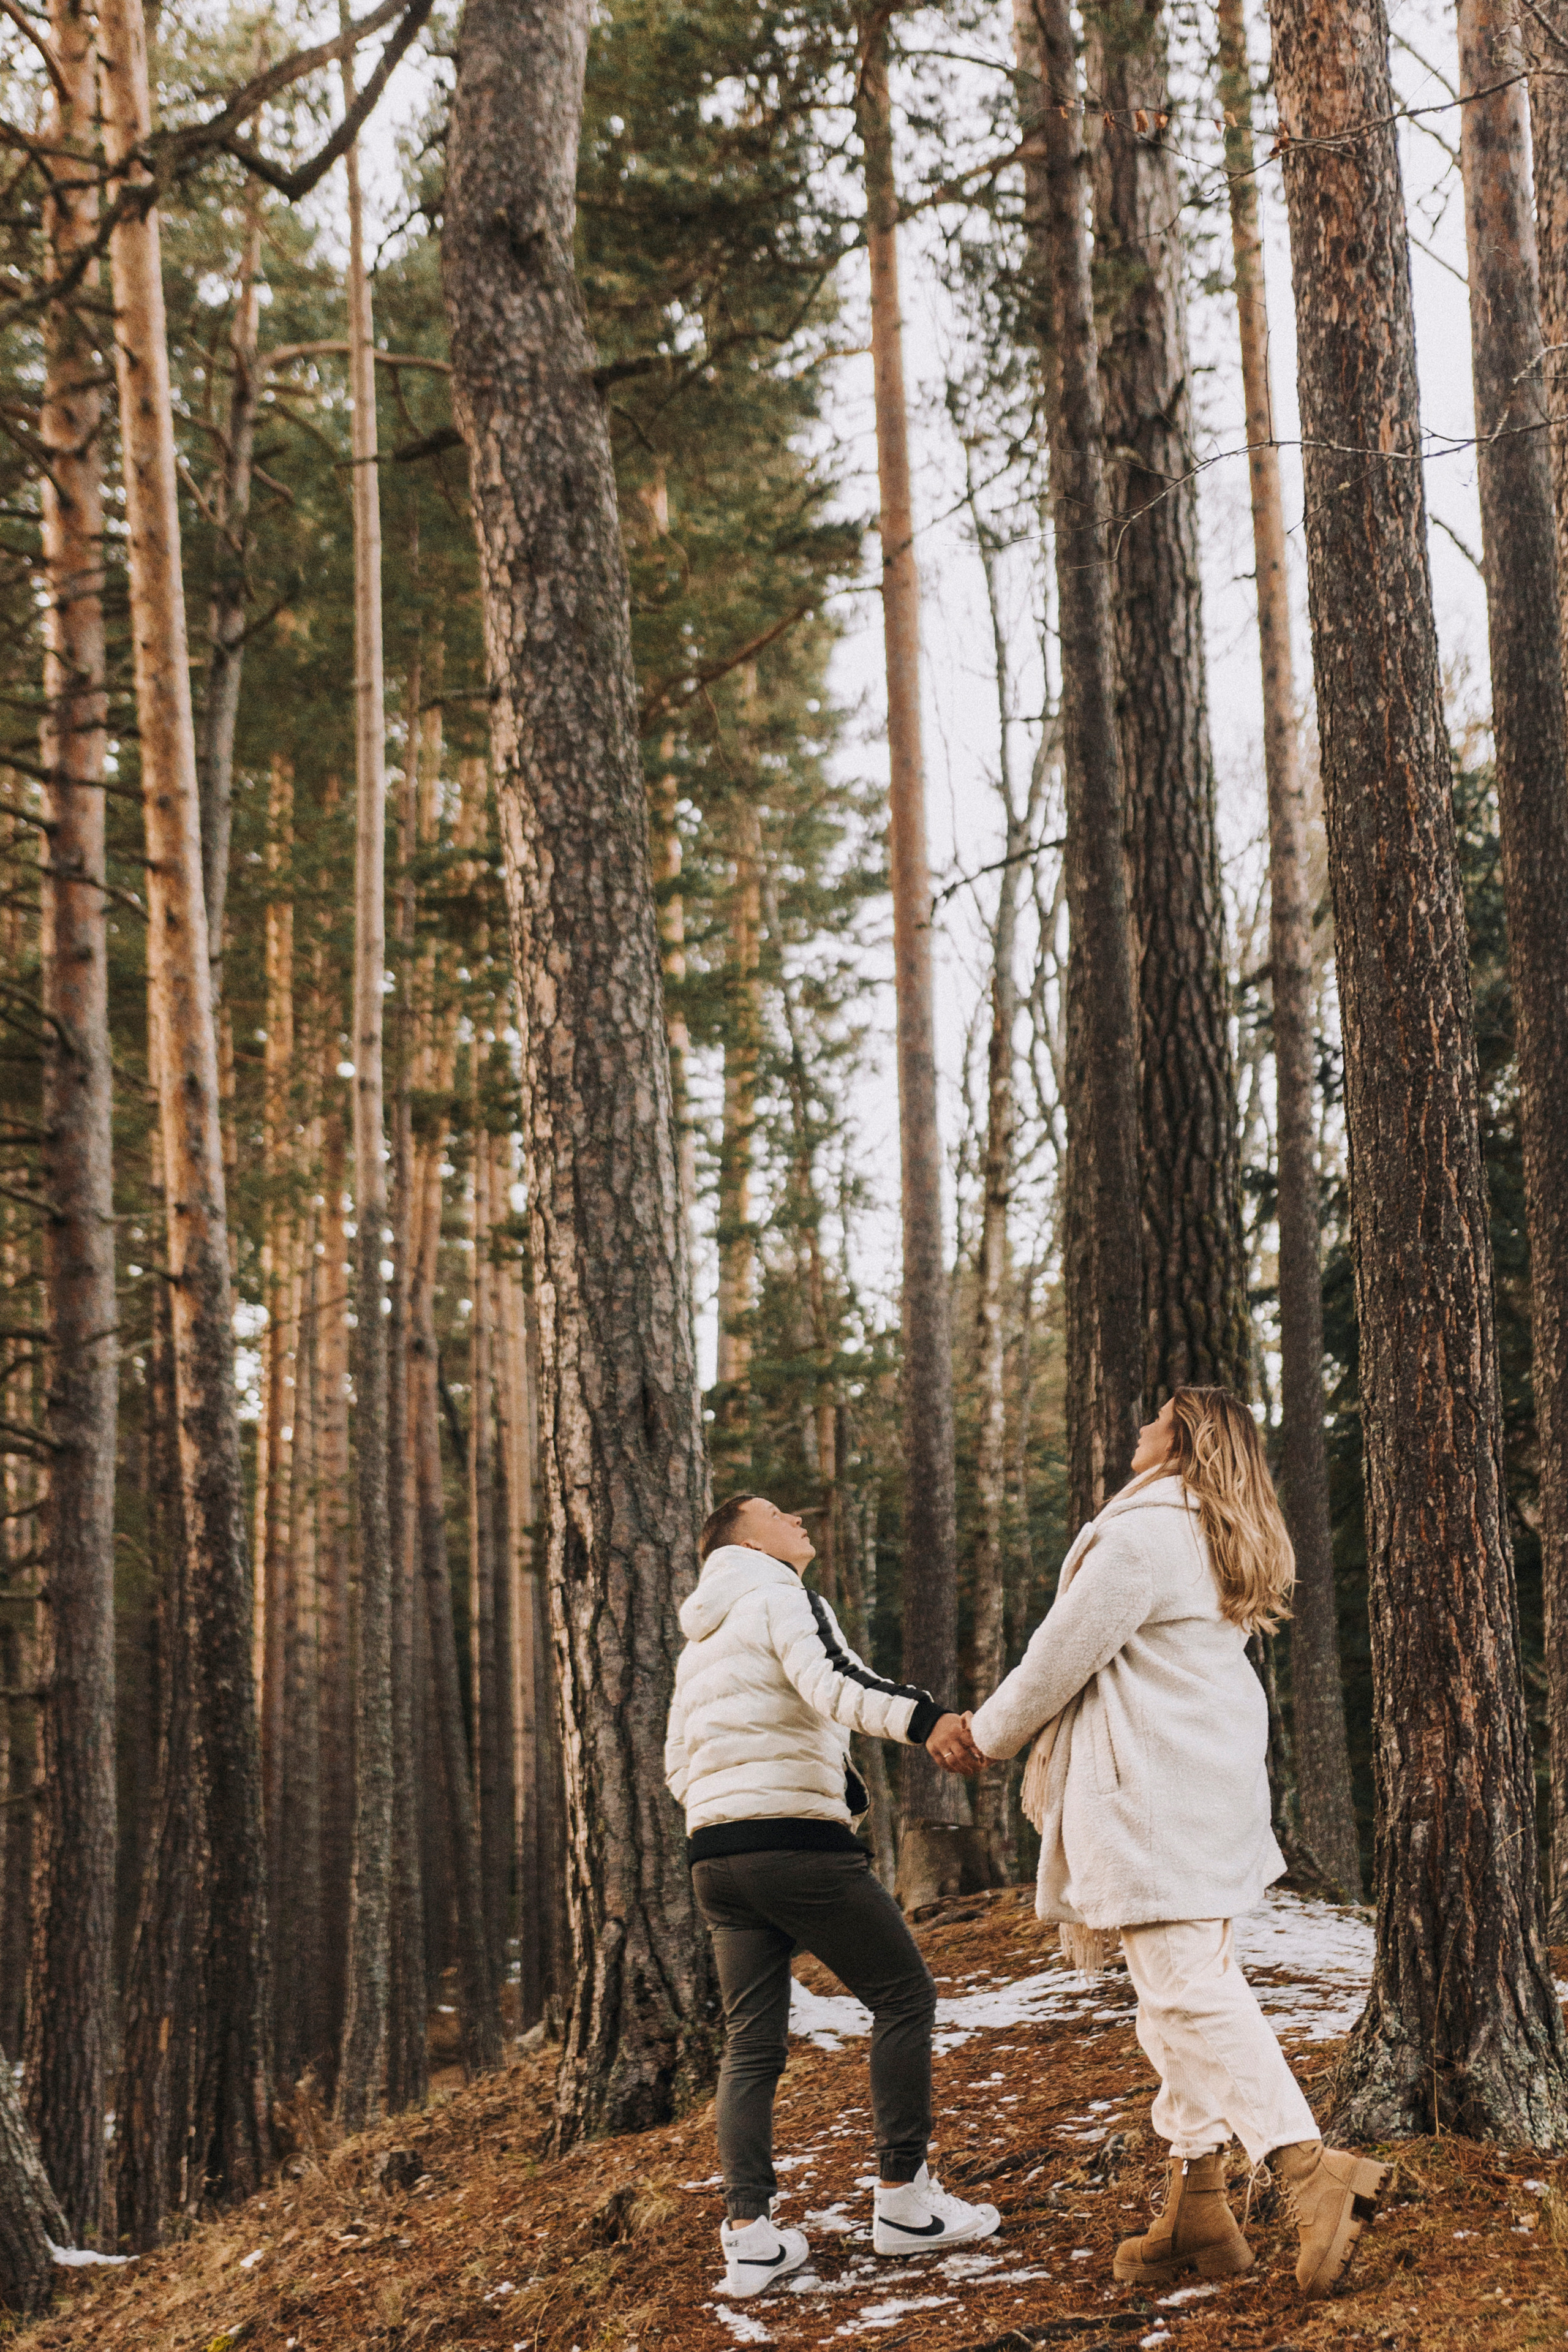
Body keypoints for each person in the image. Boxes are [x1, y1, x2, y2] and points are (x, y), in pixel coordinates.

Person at [968, 1389, 1387, 2299]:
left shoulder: (1145, 1535)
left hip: (1153, 1800)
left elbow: (1057, 1656)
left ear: (1183, 1439)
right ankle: (1199, 2206)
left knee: (1184, 1993)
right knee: (1179, 2000)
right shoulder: (1214, 1531)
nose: (1135, 1428)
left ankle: (1309, 2169)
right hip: (1206, 1789)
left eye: (1151, 1420)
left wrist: (988, 1735)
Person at [665, 1491, 1001, 2299]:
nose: (802, 1522)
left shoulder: (702, 1639)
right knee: (905, 1996)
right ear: (746, 1538)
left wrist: (729, 1818)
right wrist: (926, 1722)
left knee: (751, 2044)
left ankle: (750, 2238)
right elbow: (833, 1683)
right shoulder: (780, 1595)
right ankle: (904, 2206)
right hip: (794, 1844)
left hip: (715, 1858)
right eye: (783, 1513)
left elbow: (679, 1761)